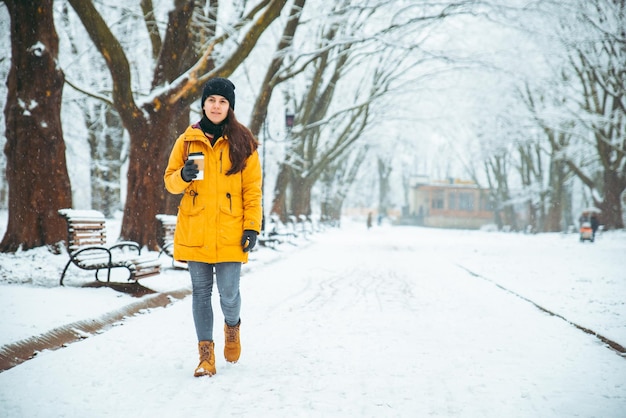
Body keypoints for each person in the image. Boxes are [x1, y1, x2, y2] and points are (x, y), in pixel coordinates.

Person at [164, 78, 262, 377]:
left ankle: (232, 328)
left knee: (229, 292)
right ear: (203, 104)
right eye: (211, 101)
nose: (216, 106)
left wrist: (251, 227)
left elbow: (252, 190)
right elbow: (170, 182)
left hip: (231, 230)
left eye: (222, 101)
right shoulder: (187, 140)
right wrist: (183, 174)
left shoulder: (243, 142)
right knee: (200, 293)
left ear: (229, 106)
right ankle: (206, 355)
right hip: (196, 228)